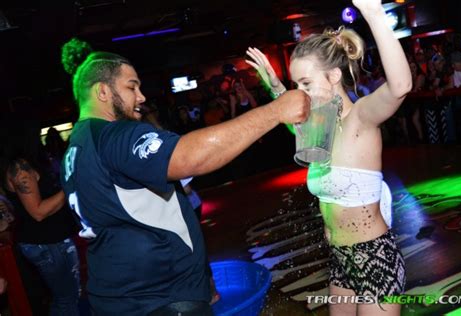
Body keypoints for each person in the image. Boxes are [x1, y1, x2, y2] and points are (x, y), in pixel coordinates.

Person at [59, 38, 310, 315]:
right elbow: (188, 158)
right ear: (103, 92)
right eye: (131, 87)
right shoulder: (113, 134)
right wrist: (275, 111)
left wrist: (200, 279)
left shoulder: (76, 146)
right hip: (160, 297)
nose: (141, 97)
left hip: (122, 293)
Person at [246, 0, 412, 314]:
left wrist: (374, 14)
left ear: (334, 76)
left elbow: (401, 85)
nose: (300, 91)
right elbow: (293, 120)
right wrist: (275, 85)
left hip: (375, 258)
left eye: (306, 83)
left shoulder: (361, 119)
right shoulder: (319, 127)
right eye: (297, 84)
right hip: (340, 258)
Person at [1, 154, 81, 316]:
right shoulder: (19, 169)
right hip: (48, 242)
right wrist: (69, 185)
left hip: (51, 241)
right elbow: (38, 212)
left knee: (65, 297)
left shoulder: (26, 165)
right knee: (67, 298)